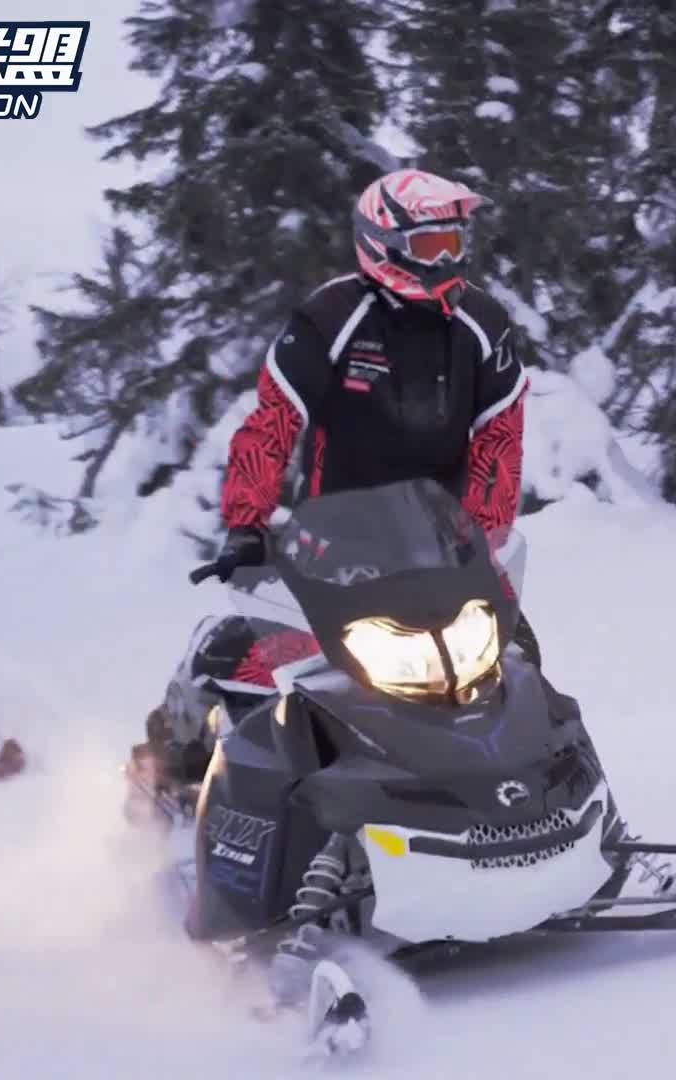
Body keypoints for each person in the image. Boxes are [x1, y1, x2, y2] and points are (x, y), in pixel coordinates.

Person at [132, 167, 532, 790]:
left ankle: (534, 803)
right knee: (248, 658)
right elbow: (271, 423)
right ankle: (177, 765)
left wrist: (487, 536)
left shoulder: (482, 322)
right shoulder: (331, 316)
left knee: (513, 664)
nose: (448, 258)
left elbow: (500, 437)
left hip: (441, 545)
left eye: (455, 242)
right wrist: (246, 523)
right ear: (384, 243)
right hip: (335, 543)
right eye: (432, 245)